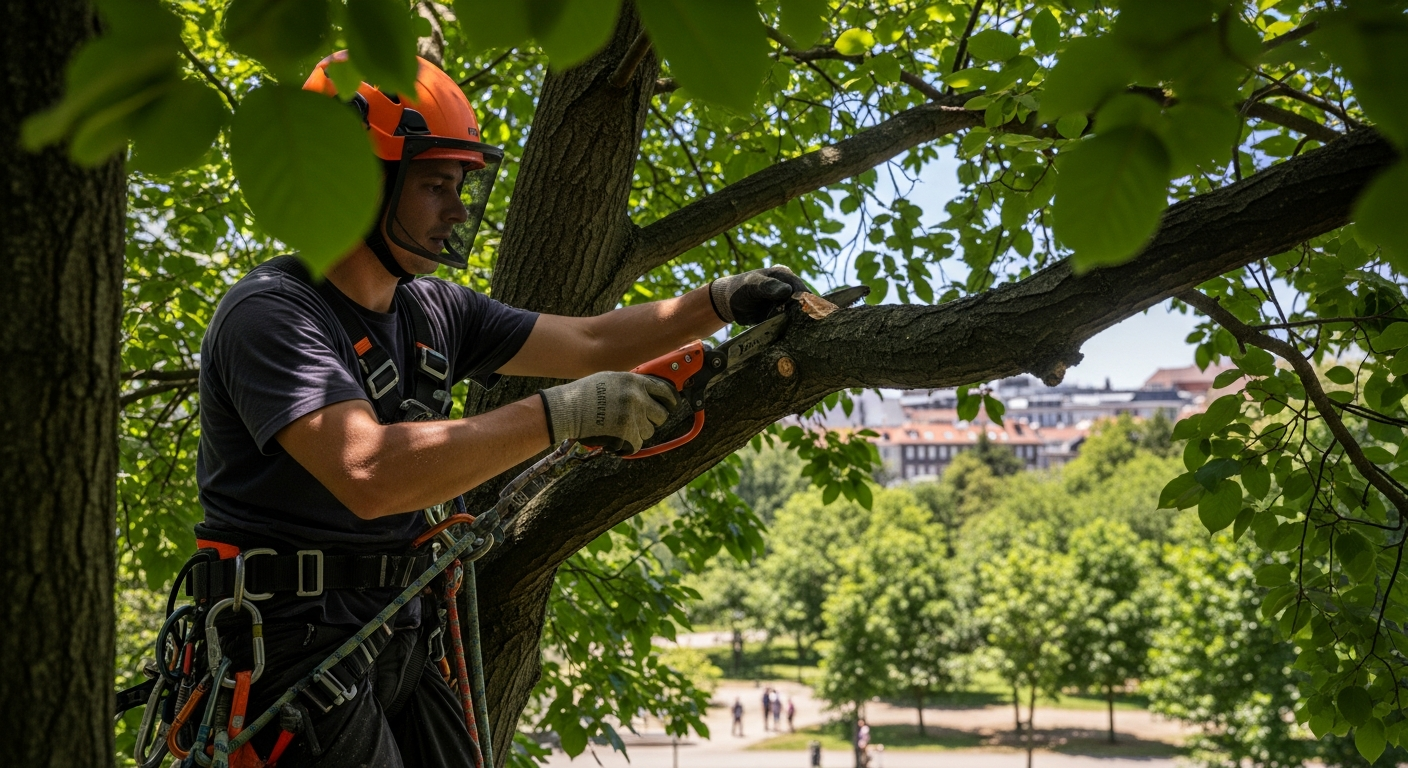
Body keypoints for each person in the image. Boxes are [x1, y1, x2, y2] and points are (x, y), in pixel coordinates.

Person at [187, 52, 808, 768]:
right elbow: (370, 472)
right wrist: (561, 415)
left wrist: (719, 302)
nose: (457, 209)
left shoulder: (433, 309)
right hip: (288, 644)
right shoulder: (273, 317)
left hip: (397, 629)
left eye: (460, 186)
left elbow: (589, 341)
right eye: (434, 185)